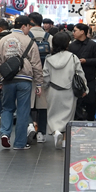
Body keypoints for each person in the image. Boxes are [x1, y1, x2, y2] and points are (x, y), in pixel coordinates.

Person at [0, 14, 43, 150]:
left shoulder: (3, 40)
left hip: (8, 79)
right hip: (25, 80)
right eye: (28, 27)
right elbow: (36, 64)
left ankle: (5, 134)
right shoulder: (30, 41)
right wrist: (39, 83)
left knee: (7, 108)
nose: (29, 30)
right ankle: (20, 143)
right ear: (24, 26)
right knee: (23, 110)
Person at [43, 31, 87, 149]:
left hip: (53, 90)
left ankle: (56, 132)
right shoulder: (73, 57)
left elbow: (45, 76)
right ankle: (64, 141)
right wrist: (85, 89)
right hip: (69, 91)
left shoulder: (49, 59)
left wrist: (44, 87)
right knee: (68, 116)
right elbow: (80, 75)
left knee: (53, 115)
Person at [70, 23, 96, 122]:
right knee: (77, 102)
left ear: (82, 32)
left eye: (75, 30)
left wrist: (86, 61)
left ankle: (90, 120)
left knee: (91, 101)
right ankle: (77, 122)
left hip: (89, 78)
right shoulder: (72, 45)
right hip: (75, 79)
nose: (73, 33)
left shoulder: (93, 45)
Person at [28, 13, 53, 144]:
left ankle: (30, 126)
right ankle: (41, 133)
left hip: (28, 76)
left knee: (28, 104)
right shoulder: (50, 37)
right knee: (43, 106)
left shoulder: (25, 36)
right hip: (45, 76)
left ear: (30, 21)